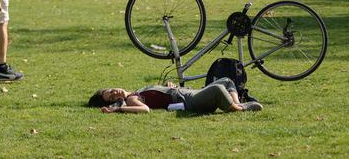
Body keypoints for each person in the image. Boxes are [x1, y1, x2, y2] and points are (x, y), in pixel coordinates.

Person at [88, 78, 262, 114]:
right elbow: (146, 109)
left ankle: (237, 103)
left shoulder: (138, 89)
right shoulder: (131, 99)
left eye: (110, 91)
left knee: (226, 80)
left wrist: (167, 87)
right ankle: (237, 109)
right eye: (111, 98)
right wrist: (119, 110)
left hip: (188, 91)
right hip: (188, 100)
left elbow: (158, 93)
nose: (114, 93)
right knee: (217, 88)